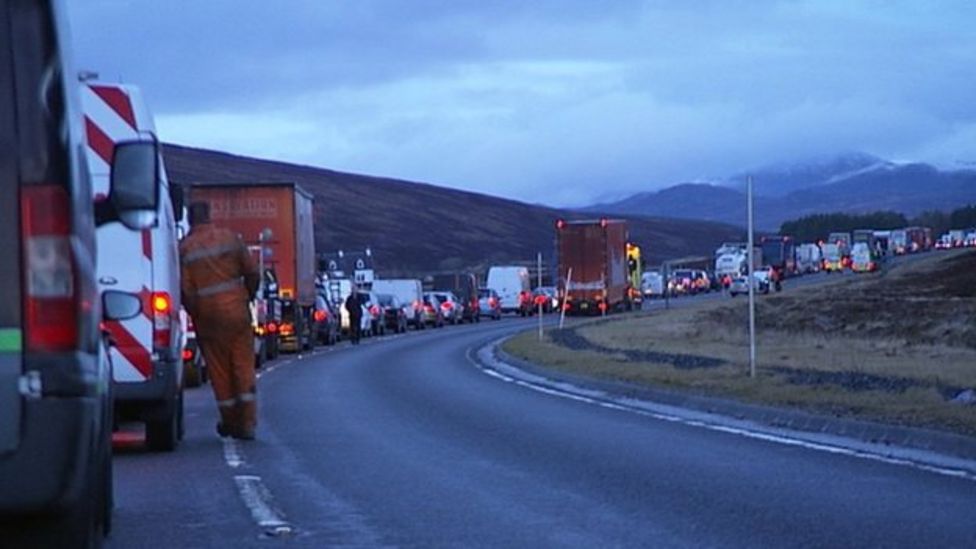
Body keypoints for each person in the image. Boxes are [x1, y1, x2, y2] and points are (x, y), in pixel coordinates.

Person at [180, 202, 260, 440]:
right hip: (237, 312)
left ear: (191, 220)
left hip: (208, 319)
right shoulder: (230, 239)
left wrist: (195, 313)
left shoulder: (185, 248)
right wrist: (247, 295)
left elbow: (187, 291)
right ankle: (246, 423)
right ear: (209, 216)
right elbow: (252, 272)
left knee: (220, 372)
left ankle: (230, 421)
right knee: (243, 366)